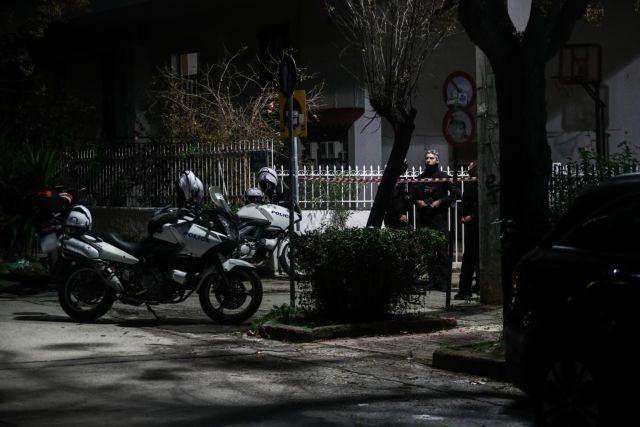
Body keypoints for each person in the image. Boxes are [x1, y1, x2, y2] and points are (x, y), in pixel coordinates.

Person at [412, 149, 460, 291]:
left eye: (431, 158)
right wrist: (418, 201)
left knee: (443, 252)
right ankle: (432, 280)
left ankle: (444, 282)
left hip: (440, 221)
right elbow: (411, 195)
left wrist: (441, 201)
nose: (428, 160)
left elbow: (456, 193)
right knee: (430, 253)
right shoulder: (420, 178)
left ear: (437, 160)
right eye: (427, 158)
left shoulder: (443, 177)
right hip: (425, 220)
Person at [455, 160, 479, 300]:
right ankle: (476, 287)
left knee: (470, 257)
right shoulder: (474, 181)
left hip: (474, 223)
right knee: (476, 257)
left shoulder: (474, 181)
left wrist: (470, 216)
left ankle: (465, 290)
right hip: (475, 222)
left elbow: (471, 202)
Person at [384, 159, 412, 229]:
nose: (405, 167)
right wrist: (399, 216)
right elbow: (387, 202)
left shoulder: (400, 181)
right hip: (393, 218)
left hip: (403, 217)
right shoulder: (388, 182)